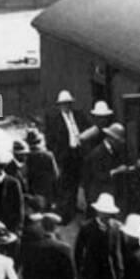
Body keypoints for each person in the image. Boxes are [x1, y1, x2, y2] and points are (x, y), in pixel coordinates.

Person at [74, 193, 126, 279]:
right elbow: (78, 252)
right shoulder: (87, 228)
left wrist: (124, 271)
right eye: (103, 211)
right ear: (98, 211)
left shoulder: (118, 227)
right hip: (96, 275)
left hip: (115, 274)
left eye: (108, 212)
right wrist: (80, 273)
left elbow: (124, 250)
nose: (105, 215)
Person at [43, 90, 89, 220]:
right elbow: (50, 140)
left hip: (79, 153)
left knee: (77, 182)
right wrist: (58, 154)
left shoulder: (79, 116)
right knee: (66, 184)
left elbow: (87, 128)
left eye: (68, 104)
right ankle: (66, 212)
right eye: (63, 104)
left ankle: (74, 207)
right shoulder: (55, 121)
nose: (66, 106)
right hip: (65, 155)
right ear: (59, 106)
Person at [21, 211, 75, 279]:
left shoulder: (32, 248)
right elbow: (70, 277)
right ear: (56, 228)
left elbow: (25, 275)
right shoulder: (64, 249)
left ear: (41, 226)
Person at [82, 122, 128, 209]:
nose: (119, 144)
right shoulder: (97, 153)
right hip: (98, 195)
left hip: (111, 194)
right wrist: (116, 171)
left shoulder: (115, 152)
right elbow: (98, 175)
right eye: (118, 141)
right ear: (111, 139)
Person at [23, 130, 60, 206]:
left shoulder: (27, 157)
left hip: (33, 191)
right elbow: (55, 175)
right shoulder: (49, 155)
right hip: (48, 192)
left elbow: (26, 175)